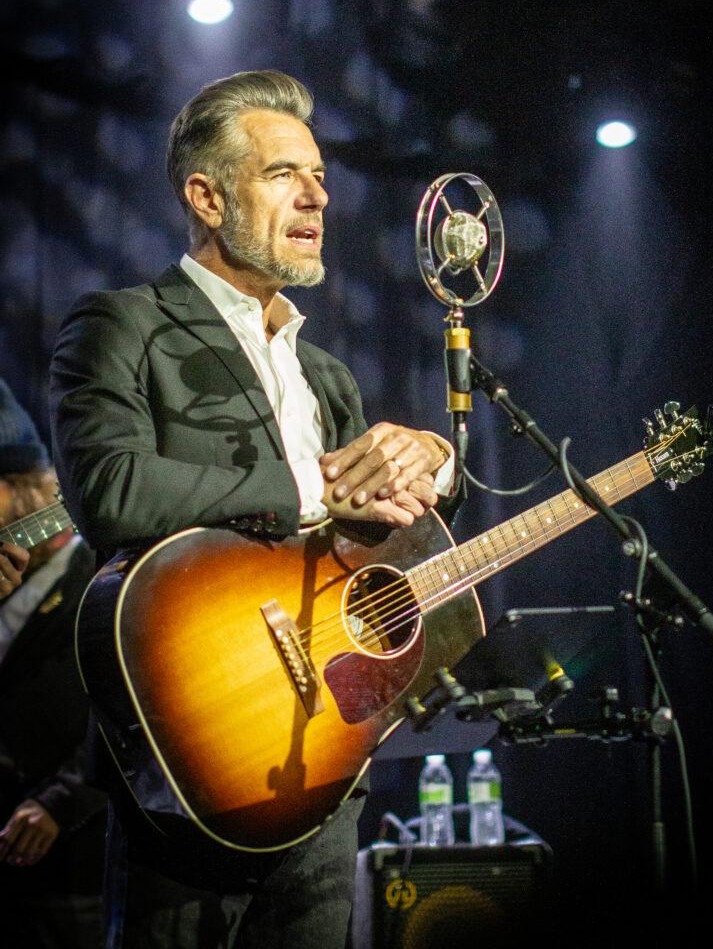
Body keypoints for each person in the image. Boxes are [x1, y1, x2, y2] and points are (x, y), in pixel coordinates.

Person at [49, 69, 457, 948]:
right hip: (191, 769)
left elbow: (369, 535)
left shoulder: (328, 375)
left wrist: (431, 460)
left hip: (323, 771)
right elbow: (111, 490)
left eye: (320, 177)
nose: (317, 196)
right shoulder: (123, 326)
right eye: (282, 174)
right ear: (206, 197)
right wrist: (311, 488)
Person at [0, 377, 106, 948]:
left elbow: (128, 710)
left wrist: (62, 802)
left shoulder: (99, 576)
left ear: (25, 492)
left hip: (69, 867)